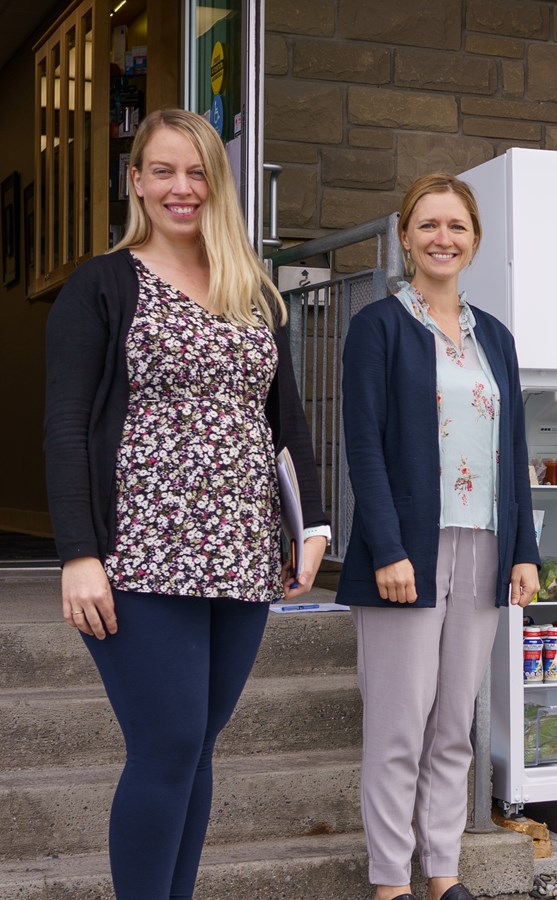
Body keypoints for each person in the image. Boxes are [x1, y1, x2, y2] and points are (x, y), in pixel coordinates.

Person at [43, 108, 330, 899]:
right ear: (136, 181)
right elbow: (66, 426)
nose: (181, 188)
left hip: (239, 553)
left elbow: (286, 422)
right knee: (165, 745)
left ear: (218, 183)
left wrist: (313, 528)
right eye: (163, 171)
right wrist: (78, 554)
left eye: (197, 172)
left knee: (196, 748)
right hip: (141, 554)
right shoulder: (101, 284)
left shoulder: (253, 290)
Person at [340, 173, 542, 900]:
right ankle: (391, 883)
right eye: (427, 225)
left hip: (484, 543)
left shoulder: (496, 337)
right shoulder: (378, 326)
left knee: (456, 722)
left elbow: (510, 447)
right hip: (408, 550)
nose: (442, 238)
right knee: (399, 727)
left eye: (456, 226)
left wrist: (524, 549)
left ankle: (443, 873)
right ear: (404, 236)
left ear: (475, 239)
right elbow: (363, 443)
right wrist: (389, 548)